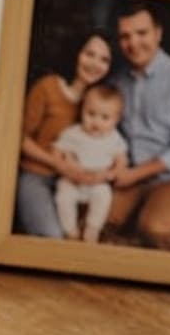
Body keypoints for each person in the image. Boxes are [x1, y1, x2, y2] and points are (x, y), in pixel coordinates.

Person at [101, 2, 170, 250]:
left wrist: (134, 175)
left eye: (142, 33)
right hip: (130, 174)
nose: (133, 43)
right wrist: (118, 168)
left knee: (154, 228)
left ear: (158, 33)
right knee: (96, 219)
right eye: (125, 36)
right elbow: (114, 136)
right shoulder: (116, 81)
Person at [12, 32, 113, 239]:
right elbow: (16, 138)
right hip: (37, 177)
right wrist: (58, 164)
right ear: (76, 53)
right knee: (53, 237)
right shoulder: (48, 87)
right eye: (89, 54)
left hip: (74, 185)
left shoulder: (98, 104)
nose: (95, 64)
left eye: (104, 59)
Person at [49, 83, 130, 241]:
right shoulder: (73, 133)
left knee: (104, 195)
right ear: (82, 111)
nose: (96, 122)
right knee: (63, 196)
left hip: (97, 180)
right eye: (91, 114)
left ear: (116, 119)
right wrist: (65, 166)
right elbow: (56, 150)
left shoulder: (114, 138)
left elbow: (121, 159)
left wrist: (110, 174)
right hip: (72, 178)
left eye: (105, 117)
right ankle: (70, 230)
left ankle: (92, 229)